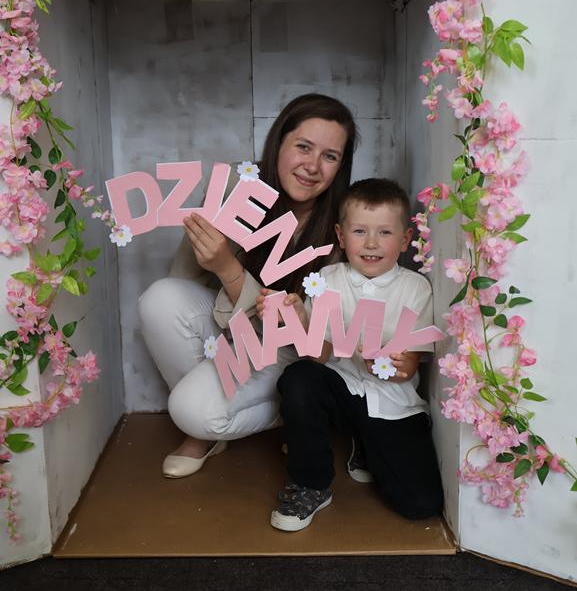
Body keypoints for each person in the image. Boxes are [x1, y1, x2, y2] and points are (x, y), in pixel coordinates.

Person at [138, 94, 359, 477]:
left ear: (341, 166)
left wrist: (229, 269)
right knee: (160, 298)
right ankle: (204, 432)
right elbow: (182, 283)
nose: (312, 166)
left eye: (330, 156)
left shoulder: (343, 223)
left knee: (193, 410)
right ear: (279, 143)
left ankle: (298, 415)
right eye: (303, 147)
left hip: (291, 354)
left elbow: (314, 345)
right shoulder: (239, 188)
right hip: (233, 330)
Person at [263, 178, 444, 531]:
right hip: (341, 390)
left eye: (385, 233)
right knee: (299, 378)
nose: (371, 243)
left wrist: (394, 362)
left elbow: (409, 367)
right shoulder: (326, 280)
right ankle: (311, 484)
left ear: (405, 239)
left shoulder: (416, 288)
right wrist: (298, 318)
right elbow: (319, 353)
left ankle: (367, 444)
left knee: (421, 504)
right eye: (360, 231)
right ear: (341, 236)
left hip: (392, 402)